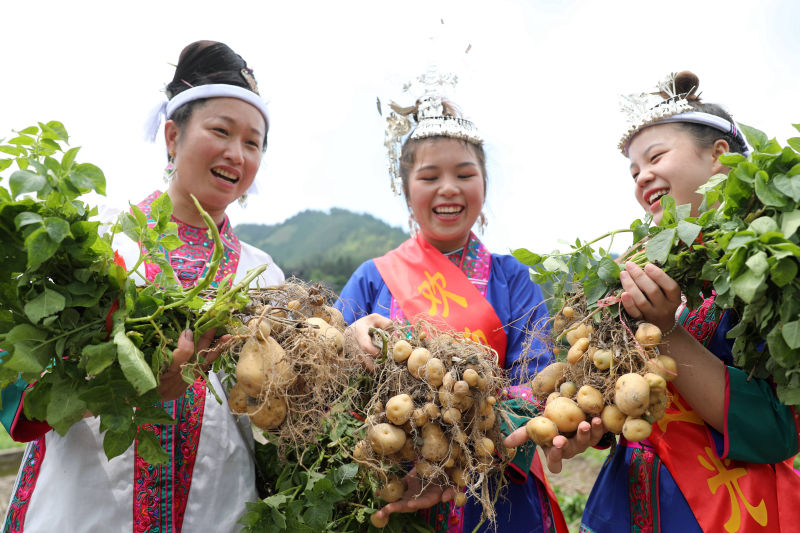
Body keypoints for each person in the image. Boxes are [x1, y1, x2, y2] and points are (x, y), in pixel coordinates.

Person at [1, 40, 284, 532]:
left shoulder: (265, 277)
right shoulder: (98, 239)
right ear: (173, 136)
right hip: (84, 513)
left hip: (219, 513)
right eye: (220, 130)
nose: (236, 153)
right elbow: (16, 383)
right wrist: (127, 388)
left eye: (253, 142)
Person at [507, 71, 800, 532]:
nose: (643, 175)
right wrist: (588, 429)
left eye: (656, 156)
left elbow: (778, 431)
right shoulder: (639, 268)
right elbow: (618, 396)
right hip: (624, 506)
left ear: (719, 157)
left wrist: (667, 331)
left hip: (725, 512)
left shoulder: (769, 264)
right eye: (633, 170)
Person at [336, 92, 567, 533]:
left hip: (495, 492)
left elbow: (539, 382)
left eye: (465, 174)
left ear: (483, 184)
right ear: (406, 190)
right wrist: (350, 341)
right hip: (396, 488)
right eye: (429, 176)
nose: (448, 188)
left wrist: (469, 430)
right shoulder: (372, 278)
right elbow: (331, 375)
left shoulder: (513, 277)